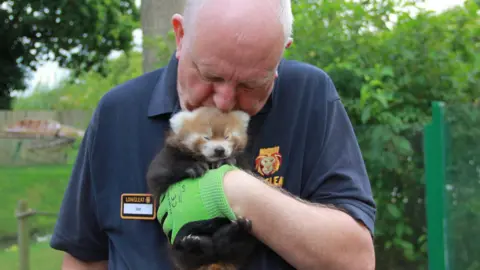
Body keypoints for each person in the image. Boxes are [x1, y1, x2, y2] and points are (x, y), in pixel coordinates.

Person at [50, 0, 377, 269]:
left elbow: (355, 260)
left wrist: (236, 191)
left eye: (251, 84)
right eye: (210, 75)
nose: (225, 100)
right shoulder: (117, 112)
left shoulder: (310, 96)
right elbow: (86, 257)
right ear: (180, 35)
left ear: (281, 53)